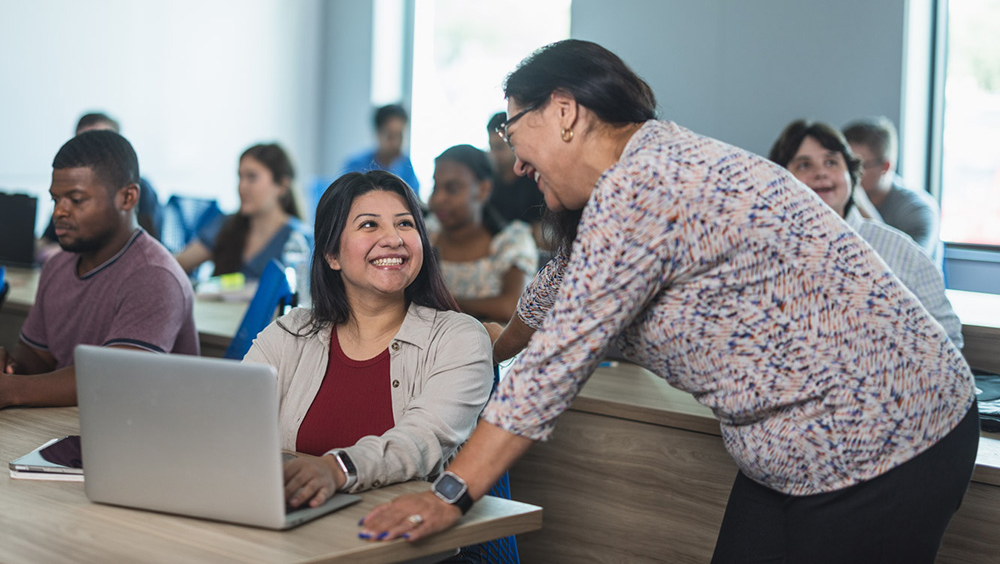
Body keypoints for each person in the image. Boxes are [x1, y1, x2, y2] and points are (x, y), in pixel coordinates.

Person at [358, 40, 978, 563]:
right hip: (791, 450)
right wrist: (478, 357)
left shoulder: (648, 184)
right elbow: (550, 299)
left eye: (512, 129)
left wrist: (448, 496)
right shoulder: (631, 177)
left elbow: (552, 368)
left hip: (887, 434)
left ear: (565, 111)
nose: (515, 162)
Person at [242, 170, 492, 510]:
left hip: (402, 530)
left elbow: (420, 442)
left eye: (405, 224)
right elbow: (233, 420)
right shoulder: (290, 333)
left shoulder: (459, 339)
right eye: (370, 225)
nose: (394, 239)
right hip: (298, 520)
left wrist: (336, 469)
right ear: (332, 255)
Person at [0, 131, 199, 408]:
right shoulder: (57, 265)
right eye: (55, 200)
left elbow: (114, 379)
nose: (59, 212)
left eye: (76, 200)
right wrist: (12, 366)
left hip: (146, 427)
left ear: (127, 198)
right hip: (74, 422)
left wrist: (12, 390)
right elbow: (37, 355)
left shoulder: (155, 275)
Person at [769, 119, 962, 347]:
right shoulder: (761, 250)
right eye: (804, 165)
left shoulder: (902, 252)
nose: (820, 173)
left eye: (831, 162)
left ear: (852, 176)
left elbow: (947, 341)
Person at [428, 144, 538, 324]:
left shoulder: (510, 242)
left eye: (452, 188)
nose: (438, 198)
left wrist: (442, 303)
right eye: (435, 187)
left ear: (483, 189)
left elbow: (512, 307)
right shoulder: (426, 235)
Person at [175, 143, 311, 281]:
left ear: (281, 185)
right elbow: (176, 264)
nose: (242, 186)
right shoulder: (226, 225)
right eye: (240, 177)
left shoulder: (300, 239)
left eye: (252, 177)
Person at [38, 112, 163, 260]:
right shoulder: (65, 198)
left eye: (77, 200)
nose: (91, 149)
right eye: (82, 143)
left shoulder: (143, 191)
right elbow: (46, 240)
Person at [843, 117, 941, 257]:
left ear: (885, 167)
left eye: (857, 165)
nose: (847, 173)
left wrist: (859, 201)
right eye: (843, 163)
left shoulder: (919, 210)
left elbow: (907, 264)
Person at [486, 112, 547, 247]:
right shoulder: (489, 185)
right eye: (491, 147)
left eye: (499, 148)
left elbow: (539, 234)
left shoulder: (534, 180)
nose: (494, 154)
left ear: (514, 144)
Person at [342, 104, 421, 196]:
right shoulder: (356, 165)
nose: (396, 143)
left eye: (400, 136)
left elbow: (415, 197)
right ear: (378, 134)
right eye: (390, 136)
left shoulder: (406, 164)